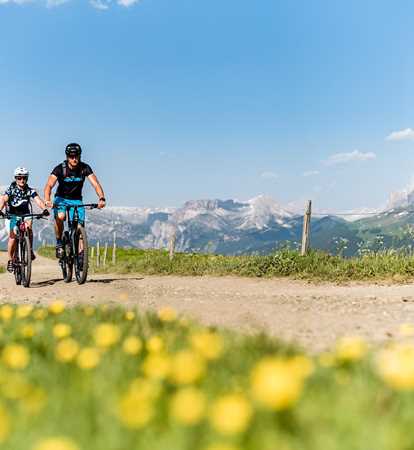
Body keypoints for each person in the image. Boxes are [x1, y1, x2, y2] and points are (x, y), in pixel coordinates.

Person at [44, 143, 106, 258]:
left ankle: (81, 254)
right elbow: (49, 185)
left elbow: (96, 184)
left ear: (80, 156)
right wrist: (47, 200)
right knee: (61, 216)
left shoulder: (84, 168)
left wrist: (101, 198)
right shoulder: (60, 169)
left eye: (76, 156)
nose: (74, 159)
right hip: (61, 199)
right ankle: (59, 243)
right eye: (71, 156)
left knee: (79, 226)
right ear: (67, 157)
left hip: (77, 200)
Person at [0, 167, 49, 272]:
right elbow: (3, 199)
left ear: (27, 179)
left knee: (29, 228)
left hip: (26, 214)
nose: (22, 180)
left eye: (24, 178)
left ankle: (29, 250)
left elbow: (38, 200)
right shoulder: (11, 190)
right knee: (13, 237)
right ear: (16, 178)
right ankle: (10, 260)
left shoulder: (30, 190)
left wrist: (44, 209)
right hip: (12, 215)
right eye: (19, 178)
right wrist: (0, 209)